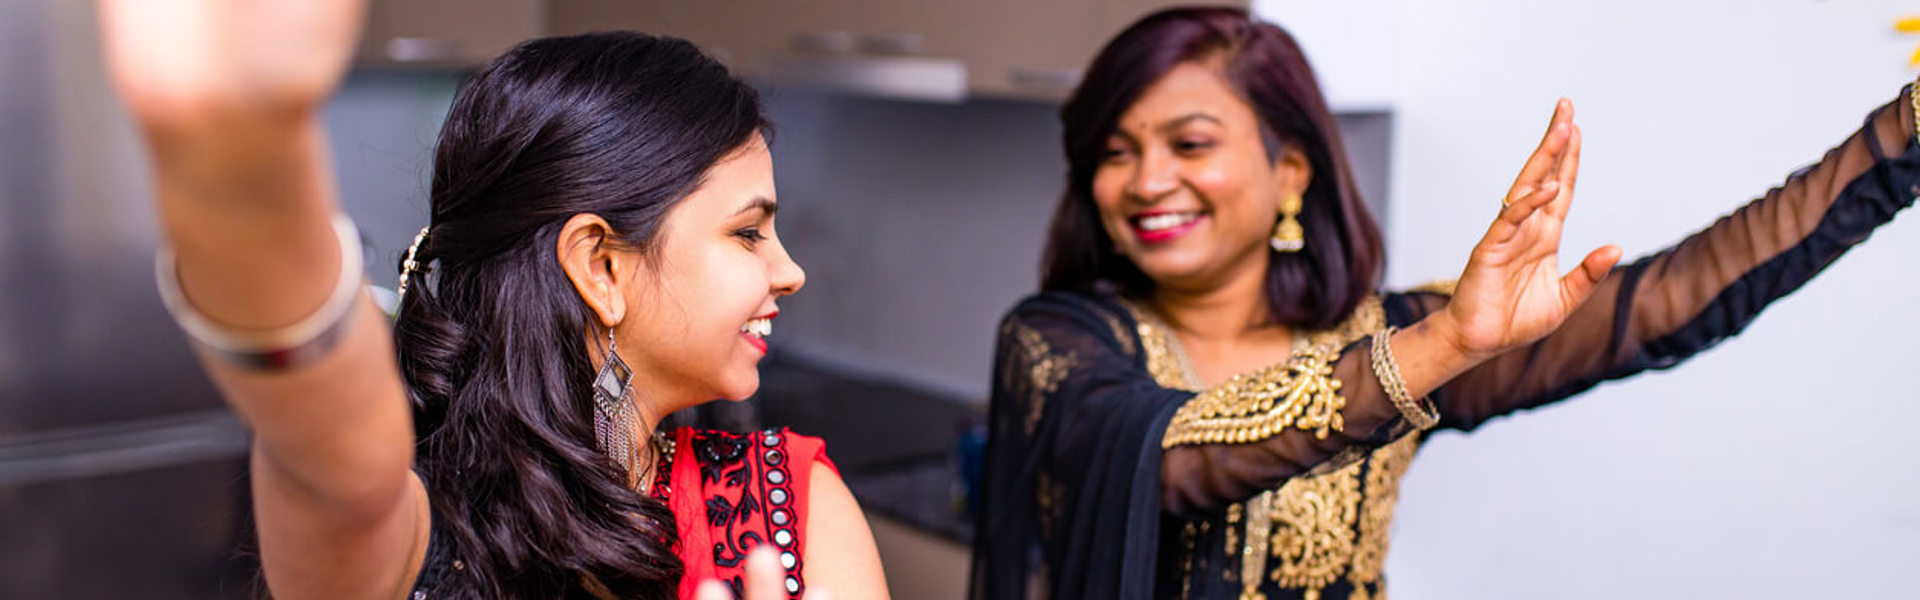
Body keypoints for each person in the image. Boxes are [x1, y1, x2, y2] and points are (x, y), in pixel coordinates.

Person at [970, 6, 1919, 599]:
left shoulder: (1388, 331)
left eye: (1189, 143)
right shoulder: (1057, 341)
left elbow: (1675, 298)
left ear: (1289, 167)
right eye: (1115, 150)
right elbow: (1171, 459)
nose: (1146, 181)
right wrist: (1446, 345)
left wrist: (1902, 136)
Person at [93, 1, 887, 598]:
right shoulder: (421, 533)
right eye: (748, 233)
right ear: (599, 267)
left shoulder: (792, 507)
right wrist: (244, 160)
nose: (790, 272)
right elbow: (331, 460)